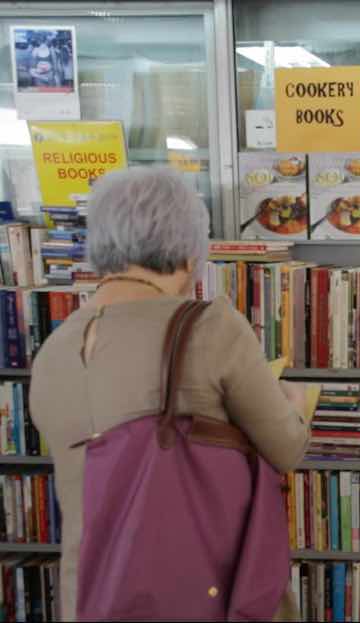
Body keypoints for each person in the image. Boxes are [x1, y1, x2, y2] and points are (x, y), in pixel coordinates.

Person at [29, 167, 311, 621]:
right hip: (198, 591)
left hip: (92, 597)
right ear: (187, 249)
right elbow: (286, 447)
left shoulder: (52, 352)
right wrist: (294, 405)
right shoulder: (209, 327)